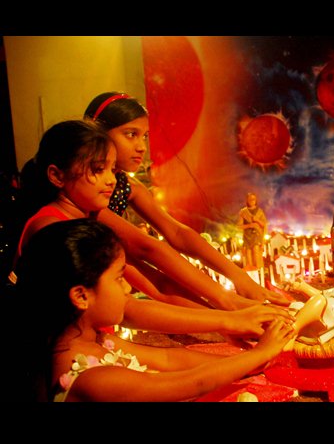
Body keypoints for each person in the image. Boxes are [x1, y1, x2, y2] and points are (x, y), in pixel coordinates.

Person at [14, 120, 292, 338]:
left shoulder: (91, 214)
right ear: (57, 175)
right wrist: (226, 315)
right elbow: (128, 307)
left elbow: (158, 285)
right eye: (98, 170)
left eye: (112, 170)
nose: (111, 180)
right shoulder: (52, 229)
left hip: (99, 345)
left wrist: (230, 316)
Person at [14, 218, 294, 401]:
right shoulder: (91, 379)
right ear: (80, 296)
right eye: (119, 278)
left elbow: (170, 360)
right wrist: (258, 353)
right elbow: (191, 383)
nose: (127, 288)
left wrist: (248, 365)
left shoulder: (94, 341)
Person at [84, 91, 289, 307]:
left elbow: (178, 233)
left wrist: (239, 278)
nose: (142, 147)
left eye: (144, 136)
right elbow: (146, 248)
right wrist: (226, 301)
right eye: (130, 134)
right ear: (97, 134)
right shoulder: (87, 194)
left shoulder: (127, 186)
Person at [237, 192, 267, 269]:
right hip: (247, 236)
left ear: (256, 200)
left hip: (257, 235)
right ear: (247, 200)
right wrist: (249, 225)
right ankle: (250, 267)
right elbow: (239, 226)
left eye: (253, 199)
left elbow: (264, 224)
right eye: (250, 199)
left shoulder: (260, 211)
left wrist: (257, 220)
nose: (252, 201)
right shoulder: (243, 212)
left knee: (256, 250)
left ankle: (258, 268)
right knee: (248, 253)